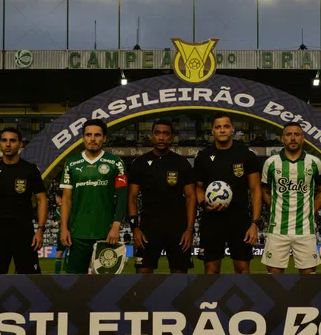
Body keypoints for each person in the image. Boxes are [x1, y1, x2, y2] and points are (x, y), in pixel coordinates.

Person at [0, 127, 47, 274]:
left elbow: (42, 200)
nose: (8, 144)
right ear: (0, 144)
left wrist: (40, 230)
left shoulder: (30, 170)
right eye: (4, 140)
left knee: (30, 279)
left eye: (12, 140)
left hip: (24, 231)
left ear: (20, 144)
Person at [194, 112, 262, 274]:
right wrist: (205, 205)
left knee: (242, 268)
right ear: (212, 131)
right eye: (218, 127)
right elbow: (198, 188)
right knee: (211, 268)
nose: (222, 130)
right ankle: (211, 300)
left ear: (232, 129)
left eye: (226, 126)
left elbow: (255, 190)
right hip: (212, 220)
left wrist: (255, 223)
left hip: (239, 220)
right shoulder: (203, 157)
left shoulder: (246, 155)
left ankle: (243, 300)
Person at [58, 119, 128, 274]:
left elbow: (123, 197)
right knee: (74, 283)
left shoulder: (116, 163)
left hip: (106, 234)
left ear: (105, 138)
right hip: (77, 233)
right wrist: (64, 228)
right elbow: (66, 199)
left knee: (105, 284)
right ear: (83, 138)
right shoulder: (71, 163)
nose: (92, 138)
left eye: (97, 135)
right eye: (88, 135)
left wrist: (116, 226)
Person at [128, 120, 197, 274]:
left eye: (166, 134)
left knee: (179, 275)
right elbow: (132, 197)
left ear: (171, 138)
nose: (161, 137)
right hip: (148, 228)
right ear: (151, 136)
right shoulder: (139, 163)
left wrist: (189, 229)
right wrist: (135, 228)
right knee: (143, 274)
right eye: (158, 133)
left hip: (178, 228)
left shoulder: (181, 163)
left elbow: (191, 197)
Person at [261, 123, 321, 274]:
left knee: (308, 278)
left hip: (305, 229)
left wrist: (312, 210)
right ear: (282, 139)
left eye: (297, 134)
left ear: (303, 139)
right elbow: (264, 190)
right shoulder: (271, 163)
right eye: (289, 134)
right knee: (274, 276)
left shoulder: (314, 162)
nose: (293, 138)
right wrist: (274, 208)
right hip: (277, 228)